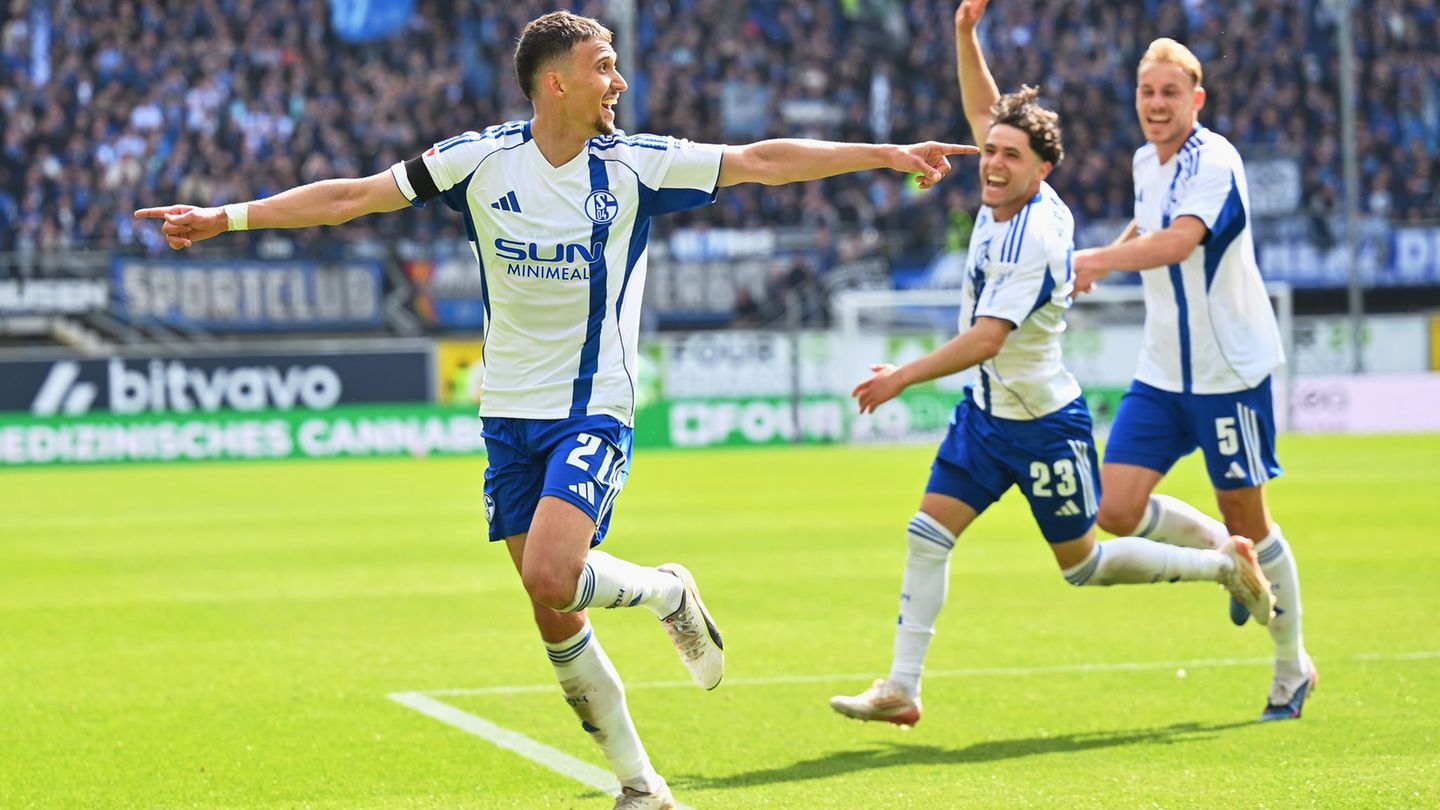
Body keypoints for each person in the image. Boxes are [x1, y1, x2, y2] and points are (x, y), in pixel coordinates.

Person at [135, 11, 976, 809]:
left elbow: (761, 160)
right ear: (554, 85)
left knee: (549, 571)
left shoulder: (637, 164)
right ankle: (642, 782)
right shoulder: (477, 160)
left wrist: (888, 153)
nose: (617, 79)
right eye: (602, 66)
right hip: (508, 413)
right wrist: (225, 218)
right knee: (554, 611)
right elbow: (353, 197)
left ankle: (663, 595)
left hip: (592, 407)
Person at [829, 0, 1273, 729]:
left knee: (1084, 564)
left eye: (1008, 156)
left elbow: (986, 340)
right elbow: (984, 112)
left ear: (1042, 169)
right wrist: (964, 34)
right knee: (926, 533)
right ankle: (902, 686)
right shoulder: (1004, 185)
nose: (991, 163)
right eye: (990, 152)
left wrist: (900, 376)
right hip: (985, 417)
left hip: (1041, 425)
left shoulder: (1036, 235)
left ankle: (1224, 564)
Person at [1071, 36, 1316, 722]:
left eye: (1169, 93)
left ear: (1196, 100)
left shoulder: (1217, 161)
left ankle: (1290, 668)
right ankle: (1222, 555)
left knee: (1252, 517)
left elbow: (1180, 239)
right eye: (1147, 92)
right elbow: (1147, 223)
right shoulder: (1145, 161)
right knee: (1112, 508)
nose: (1156, 104)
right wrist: (1106, 258)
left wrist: (1088, 256)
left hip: (1227, 373)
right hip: (1162, 371)